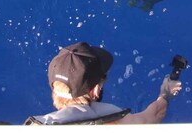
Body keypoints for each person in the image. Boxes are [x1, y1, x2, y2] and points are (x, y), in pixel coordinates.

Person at [25, 42, 182, 125]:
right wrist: (165, 93)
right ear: (95, 90)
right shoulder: (111, 119)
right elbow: (152, 117)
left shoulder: (38, 125)